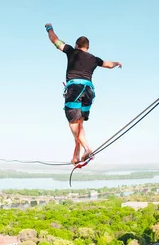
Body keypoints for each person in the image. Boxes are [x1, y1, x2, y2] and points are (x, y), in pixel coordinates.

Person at [45, 23, 122, 165]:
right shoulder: (93, 58)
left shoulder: (71, 51)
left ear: (76, 45)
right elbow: (108, 64)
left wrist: (49, 28)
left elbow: (55, 40)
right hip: (88, 92)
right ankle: (76, 155)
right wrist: (117, 63)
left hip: (75, 89)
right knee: (79, 124)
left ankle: (87, 148)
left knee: (74, 123)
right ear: (88, 48)